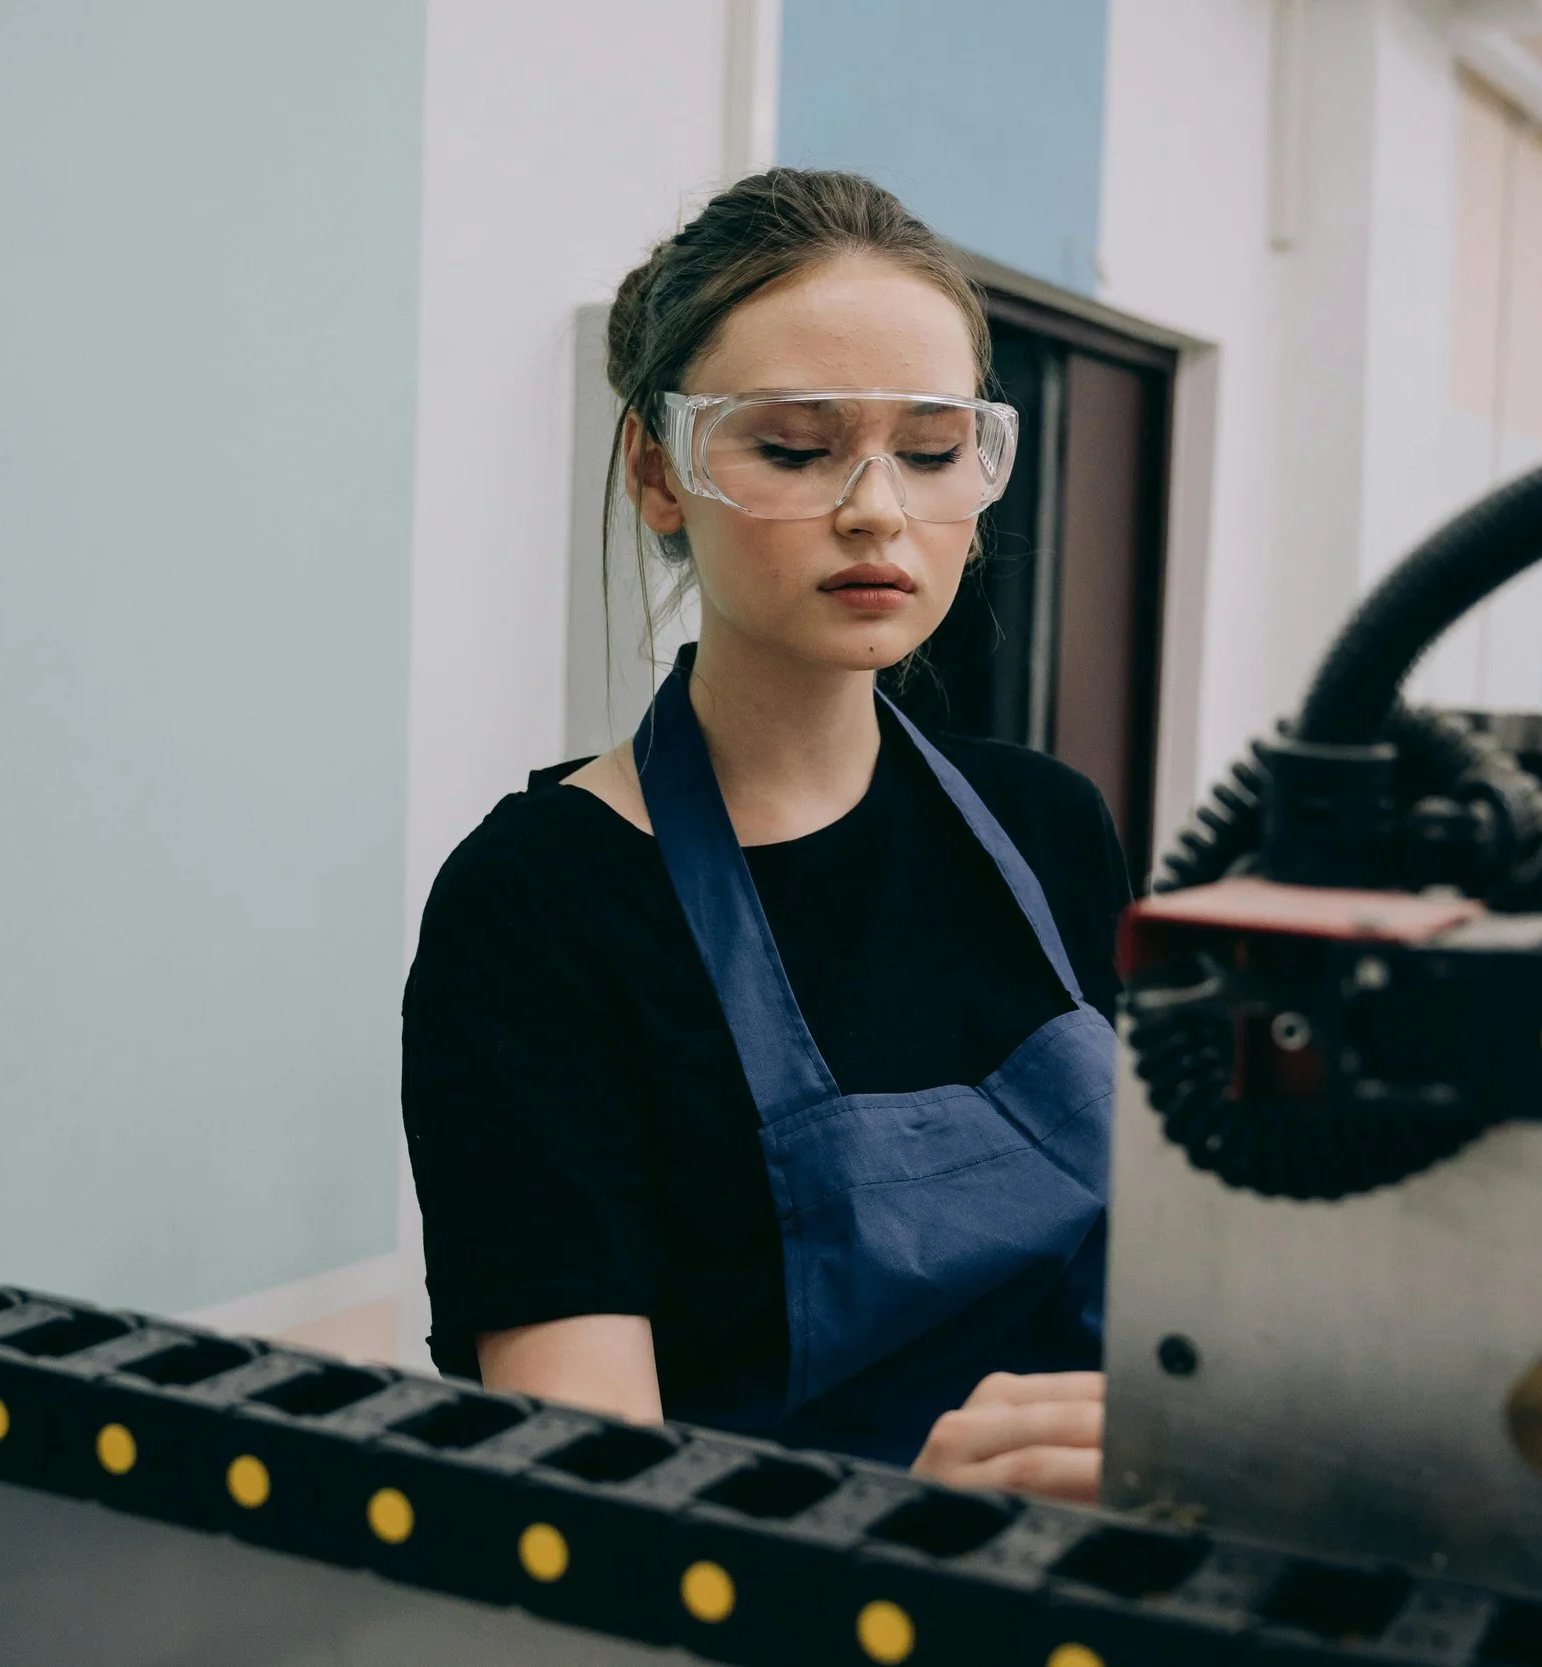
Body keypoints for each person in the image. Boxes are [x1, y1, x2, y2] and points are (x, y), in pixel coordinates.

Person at [402, 169, 1128, 1501]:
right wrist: (914, 1517)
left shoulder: (1050, 828)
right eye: (793, 447)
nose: (875, 510)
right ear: (658, 471)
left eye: (930, 449)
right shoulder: (537, 905)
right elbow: (587, 1488)